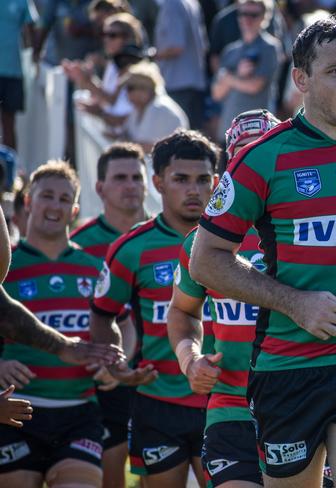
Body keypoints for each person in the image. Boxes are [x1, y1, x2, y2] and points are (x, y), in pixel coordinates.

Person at [191, 14, 336, 488]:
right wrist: (295, 302)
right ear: (301, 80)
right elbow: (205, 259)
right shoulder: (262, 157)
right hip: (287, 368)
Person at [90, 130, 218, 487]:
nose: (193, 190)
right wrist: (116, 363)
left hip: (226, 402)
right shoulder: (131, 248)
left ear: (217, 181)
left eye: (203, 179)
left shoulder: (239, 243)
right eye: (181, 179)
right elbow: (102, 314)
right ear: (158, 182)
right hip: (158, 401)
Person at [168, 109, 280, 488]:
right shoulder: (204, 240)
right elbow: (182, 313)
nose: (256, 168)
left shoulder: (309, 230)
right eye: (245, 157)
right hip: (230, 407)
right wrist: (190, 360)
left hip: (302, 403)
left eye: (265, 153)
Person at [0, 161, 107, 488]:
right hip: (15, 410)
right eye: (47, 196)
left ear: (74, 209)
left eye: (64, 199)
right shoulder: (11, 263)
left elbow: (114, 325)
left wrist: (112, 362)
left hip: (77, 411)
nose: (55, 206)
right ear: (28, 201)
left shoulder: (93, 266)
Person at [70, 142, 147, 488]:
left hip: (163, 369)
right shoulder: (79, 244)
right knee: (111, 469)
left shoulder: (170, 236)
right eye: (120, 178)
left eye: (136, 177)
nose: (130, 185)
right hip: (104, 373)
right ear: (100, 188)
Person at [211, 0, 282, 142]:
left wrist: (229, 78)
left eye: (254, 14)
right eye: (243, 14)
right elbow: (216, 93)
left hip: (258, 132)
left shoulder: (270, 47)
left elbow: (255, 86)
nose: (247, 19)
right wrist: (239, 76)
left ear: (264, 17)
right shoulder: (230, 51)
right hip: (230, 131)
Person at [154, 0, 208, 130]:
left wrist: (151, 56)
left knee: (177, 140)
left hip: (176, 85)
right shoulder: (192, 3)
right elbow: (204, 46)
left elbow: (176, 47)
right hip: (195, 83)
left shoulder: (172, 3)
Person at [121, 62, 189, 153]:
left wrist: (123, 145)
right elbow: (128, 136)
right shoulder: (139, 108)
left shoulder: (161, 109)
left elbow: (154, 147)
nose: (126, 93)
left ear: (143, 89)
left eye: (130, 88)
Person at [0, 0, 38, 150]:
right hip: (12, 71)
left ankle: (10, 169)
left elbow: (30, 28)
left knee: (9, 122)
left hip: (14, 70)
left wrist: (35, 57)